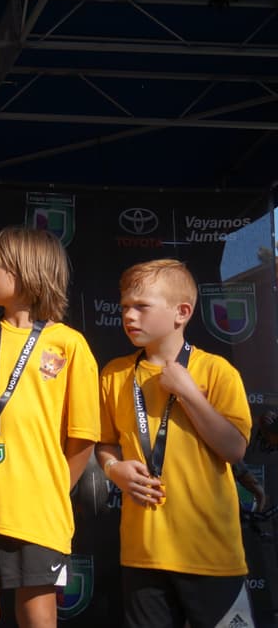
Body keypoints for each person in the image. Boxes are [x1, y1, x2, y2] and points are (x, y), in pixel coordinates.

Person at [0, 227, 100, 628]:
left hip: (38, 507)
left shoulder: (69, 344)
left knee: (37, 609)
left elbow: (83, 435)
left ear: (26, 274)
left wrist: (52, 488)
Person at [97, 259, 254, 628]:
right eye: (124, 307)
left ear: (181, 312)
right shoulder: (114, 373)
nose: (129, 316)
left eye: (141, 306)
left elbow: (235, 449)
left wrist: (189, 394)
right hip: (143, 554)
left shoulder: (216, 371)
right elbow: (105, 444)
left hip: (211, 552)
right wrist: (113, 469)